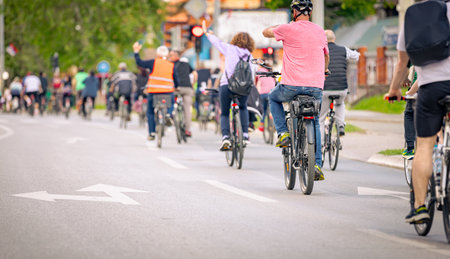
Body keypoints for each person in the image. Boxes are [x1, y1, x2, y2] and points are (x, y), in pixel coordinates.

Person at [385, 0, 450, 223]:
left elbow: (402, 62)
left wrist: (394, 90)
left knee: (424, 146)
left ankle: (419, 206)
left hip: (430, 87)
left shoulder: (413, 15)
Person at [262, 0, 329, 180]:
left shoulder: (288, 28)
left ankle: (283, 133)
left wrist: (281, 26)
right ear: (310, 13)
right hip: (316, 87)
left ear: (294, 12)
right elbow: (326, 56)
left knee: (273, 97)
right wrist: (324, 71)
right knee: (314, 121)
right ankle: (316, 165)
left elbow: (265, 32)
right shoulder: (320, 31)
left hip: (291, 85)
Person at [202, 20, 254, 150]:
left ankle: (225, 137)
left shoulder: (229, 49)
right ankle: (246, 135)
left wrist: (208, 34)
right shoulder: (250, 55)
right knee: (243, 108)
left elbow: (216, 42)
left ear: (235, 40)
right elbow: (252, 73)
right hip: (244, 88)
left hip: (227, 85)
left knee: (225, 112)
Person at [319, 30, 359, 139]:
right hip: (342, 87)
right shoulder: (343, 50)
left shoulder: (320, 51)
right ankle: (340, 124)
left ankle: (321, 146)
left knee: (321, 119)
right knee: (340, 104)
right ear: (334, 39)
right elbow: (356, 56)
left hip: (325, 88)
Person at [133, 43, 179, 140]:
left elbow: (140, 63)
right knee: (171, 102)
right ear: (167, 55)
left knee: (150, 111)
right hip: (167, 91)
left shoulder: (153, 62)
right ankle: (168, 115)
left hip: (154, 91)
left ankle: (152, 133)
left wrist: (136, 52)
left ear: (157, 54)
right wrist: (177, 86)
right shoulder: (171, 65)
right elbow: (176, 79)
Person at [169, 50, 197, 137]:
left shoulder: (170, 64)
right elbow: (195, 74)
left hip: (176, 88)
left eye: (171, 55)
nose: (169, 57)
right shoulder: (186, 64)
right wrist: (192, 84)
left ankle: (171, 115)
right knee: (187, 109)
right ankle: (187, 130)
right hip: (188, 88)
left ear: (175, 56)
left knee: (169, 99)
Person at [255, 59, 276, 132]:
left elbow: (255, 83)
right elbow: (274, 82)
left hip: (263, 93)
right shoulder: (270, 71)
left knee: (263, 110)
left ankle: (261, 124)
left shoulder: (259, 71)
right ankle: (273, 121)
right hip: (272, 93)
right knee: (273, 108)